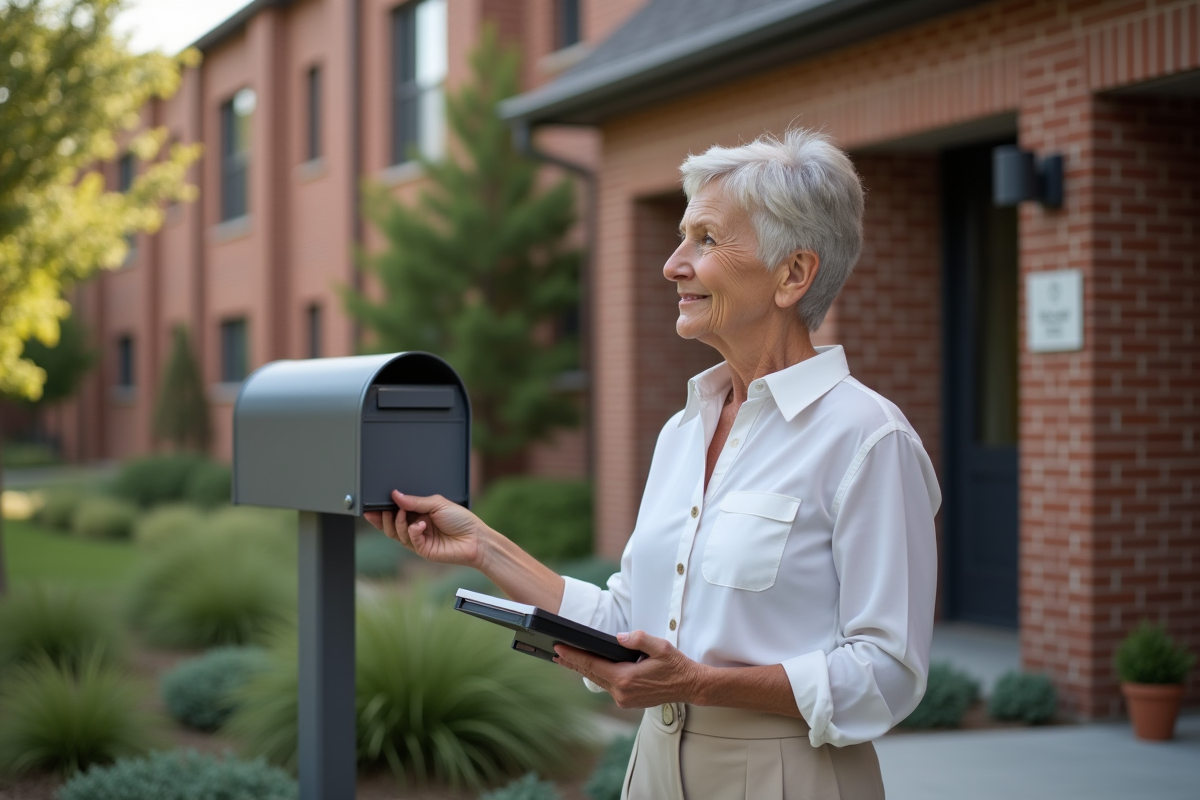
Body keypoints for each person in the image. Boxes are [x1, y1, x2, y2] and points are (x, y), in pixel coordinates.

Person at [366, 129, 940, 800]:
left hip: (790, 775)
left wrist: (701, 684)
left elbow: (886, 674)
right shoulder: (681, 432)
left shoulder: (869, 438)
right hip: (654, 767)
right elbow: (627, 617)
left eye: (706, 239)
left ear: (793, 274)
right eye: (680, 237)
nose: (672, 264)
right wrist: (483, 548)